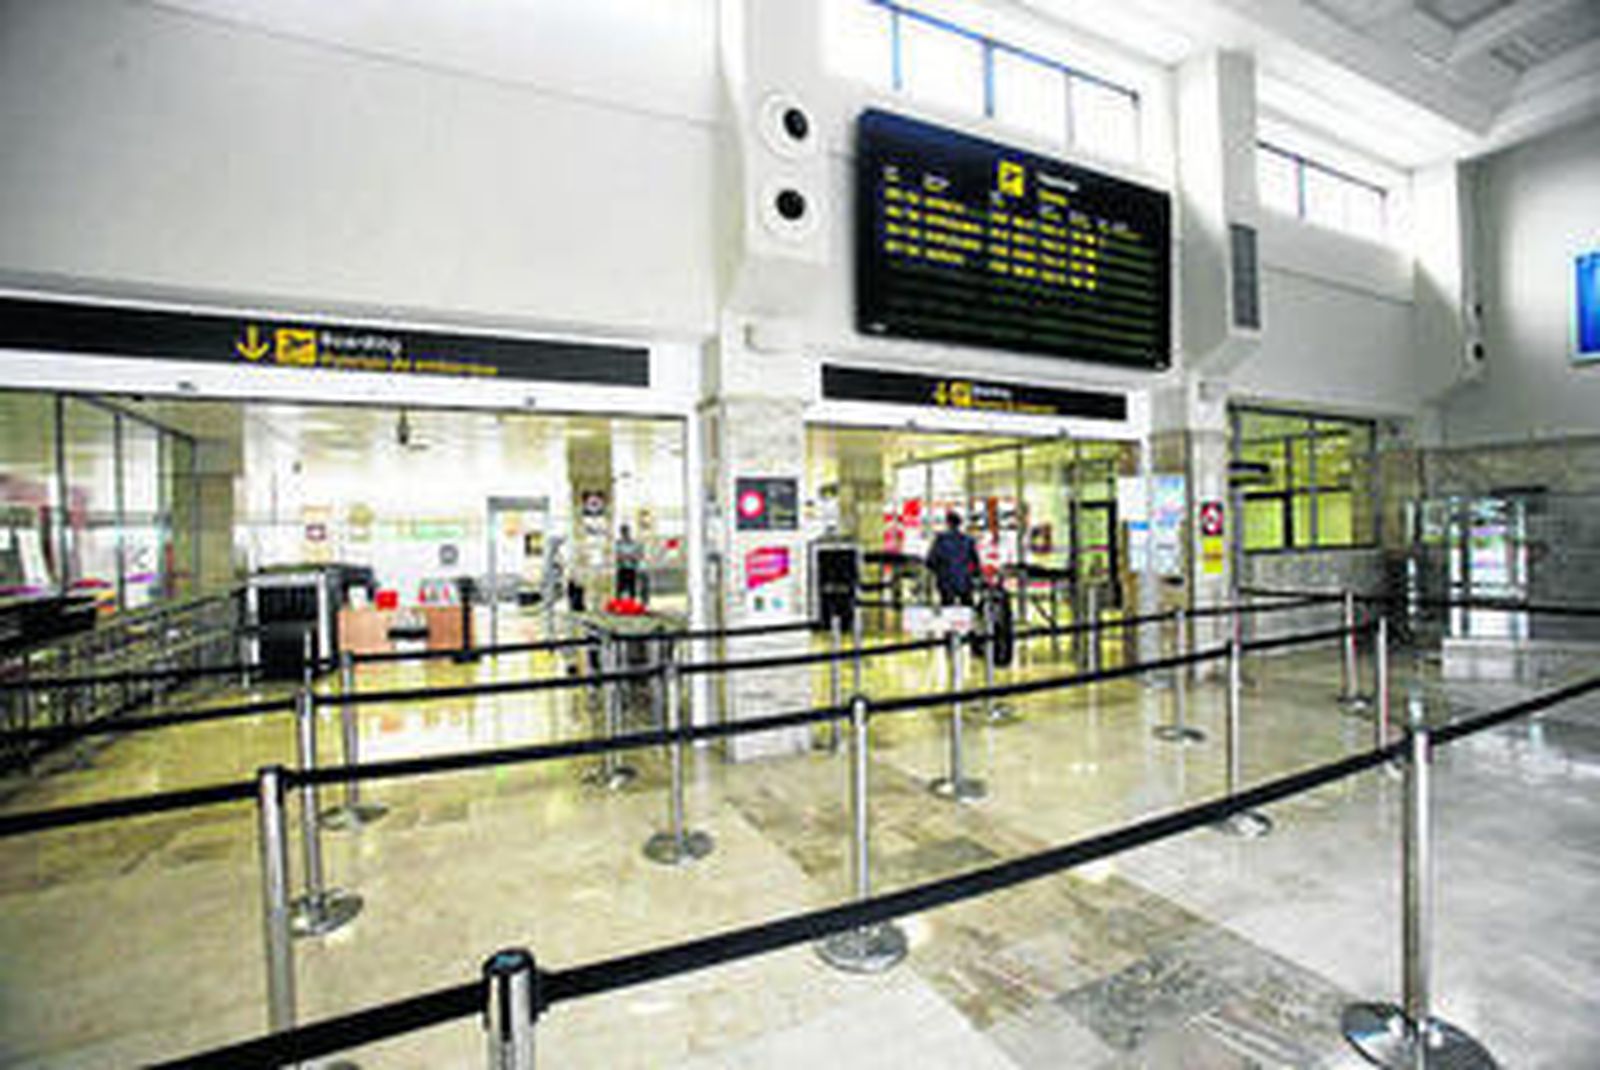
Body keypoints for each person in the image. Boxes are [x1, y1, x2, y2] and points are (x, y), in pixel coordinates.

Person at [926, 511, 981, 606]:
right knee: (967, 608)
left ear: (948, 523)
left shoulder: (940, 540)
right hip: (964, 581)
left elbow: (931, 561)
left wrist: (939, 572)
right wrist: (971, 574)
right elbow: (975, 563)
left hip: (946, 582)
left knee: (947, 608)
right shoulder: (968, 540)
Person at [614, 524, 645, 602]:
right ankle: (619, 603)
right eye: (623, 532)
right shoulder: (618, 543)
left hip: (632, 568)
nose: (624, 534)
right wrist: (626, 557)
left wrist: (631, 557)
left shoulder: (634, 543)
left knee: (632, 588)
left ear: (629, 532)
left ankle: (632, 603)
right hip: (622, 568)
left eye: (626, 532)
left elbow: (640, 555)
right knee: (620, 588)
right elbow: (617, 556)